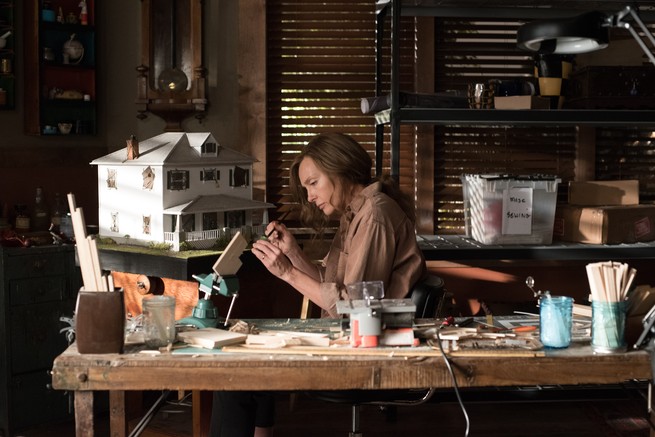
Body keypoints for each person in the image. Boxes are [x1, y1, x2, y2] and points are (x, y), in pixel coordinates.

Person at [210, 132, 426, 436]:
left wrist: (286, 272)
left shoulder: (375, 215)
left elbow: (353, 309)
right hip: (358, 333)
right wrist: (293, 254)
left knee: (232, 372)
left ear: (341, 168)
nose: (309, 196)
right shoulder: (355, 213)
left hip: (375, 342)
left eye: (314, 183)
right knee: (244, 359)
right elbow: (331, 286)